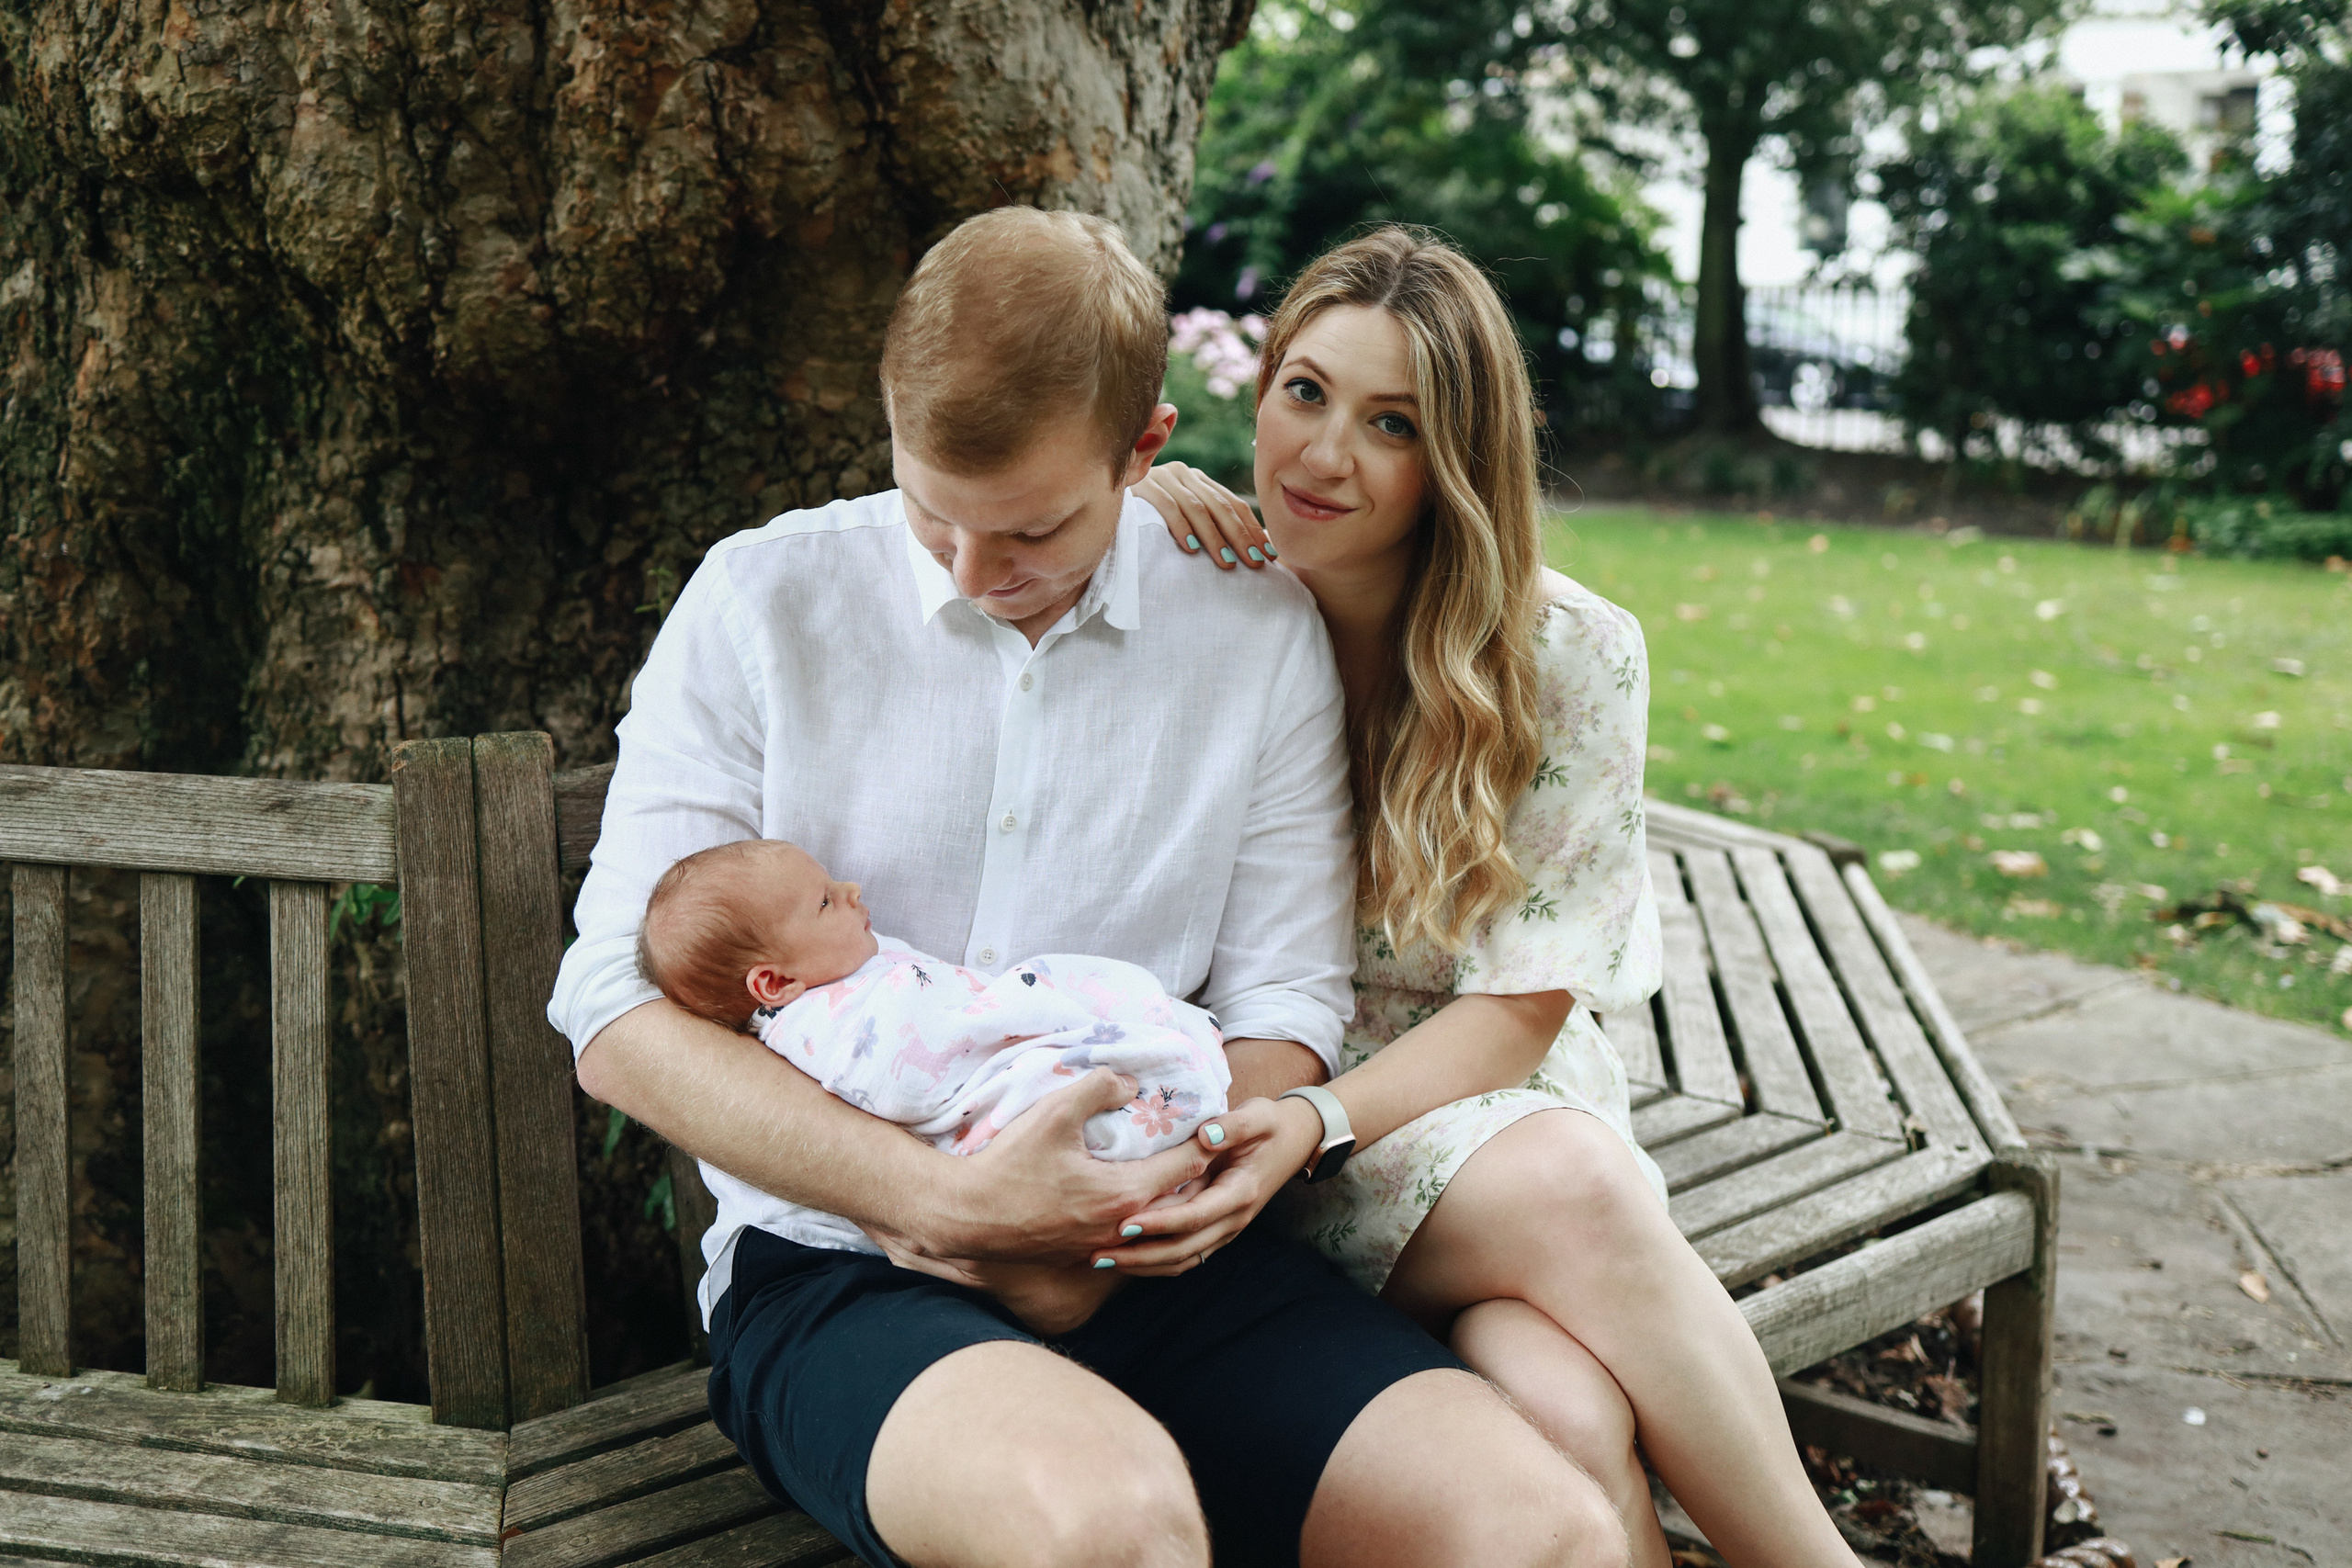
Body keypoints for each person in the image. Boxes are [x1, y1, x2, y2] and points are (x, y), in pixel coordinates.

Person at [550, 205, 1631, 1568]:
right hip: (847, 1264)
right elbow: (612, 1006)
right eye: (932, 511)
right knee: (1115, 1526)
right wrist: (940, 1200)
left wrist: (1137, 1194)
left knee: (1543, 1531)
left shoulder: (1250, 627)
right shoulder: (761, 602)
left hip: (1165, 1238)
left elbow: (1286, 992)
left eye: (1033, 531)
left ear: (1145, 450)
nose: (970, 572)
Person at [1129, 226, 1863, 1568]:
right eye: (1305, 391)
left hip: (1477, 1114)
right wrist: (1133, 503)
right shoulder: (1197, 592)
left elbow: (1523, 1011)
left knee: (1567, 1408)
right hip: (1265, 1126)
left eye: (1388, 422)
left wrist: (1320, 1115)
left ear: (1454, 459)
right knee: (1575, 1250)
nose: (1321, 454)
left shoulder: (1563, 649)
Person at [634, 836, 1228, 1333]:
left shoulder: (850, 970)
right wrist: (1020, 1012)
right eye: (824, 901)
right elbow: (916, 1078)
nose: (851, 891)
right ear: (773, 982)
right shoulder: (824, 1027)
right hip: (940, 1189)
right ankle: (1147, 1105)